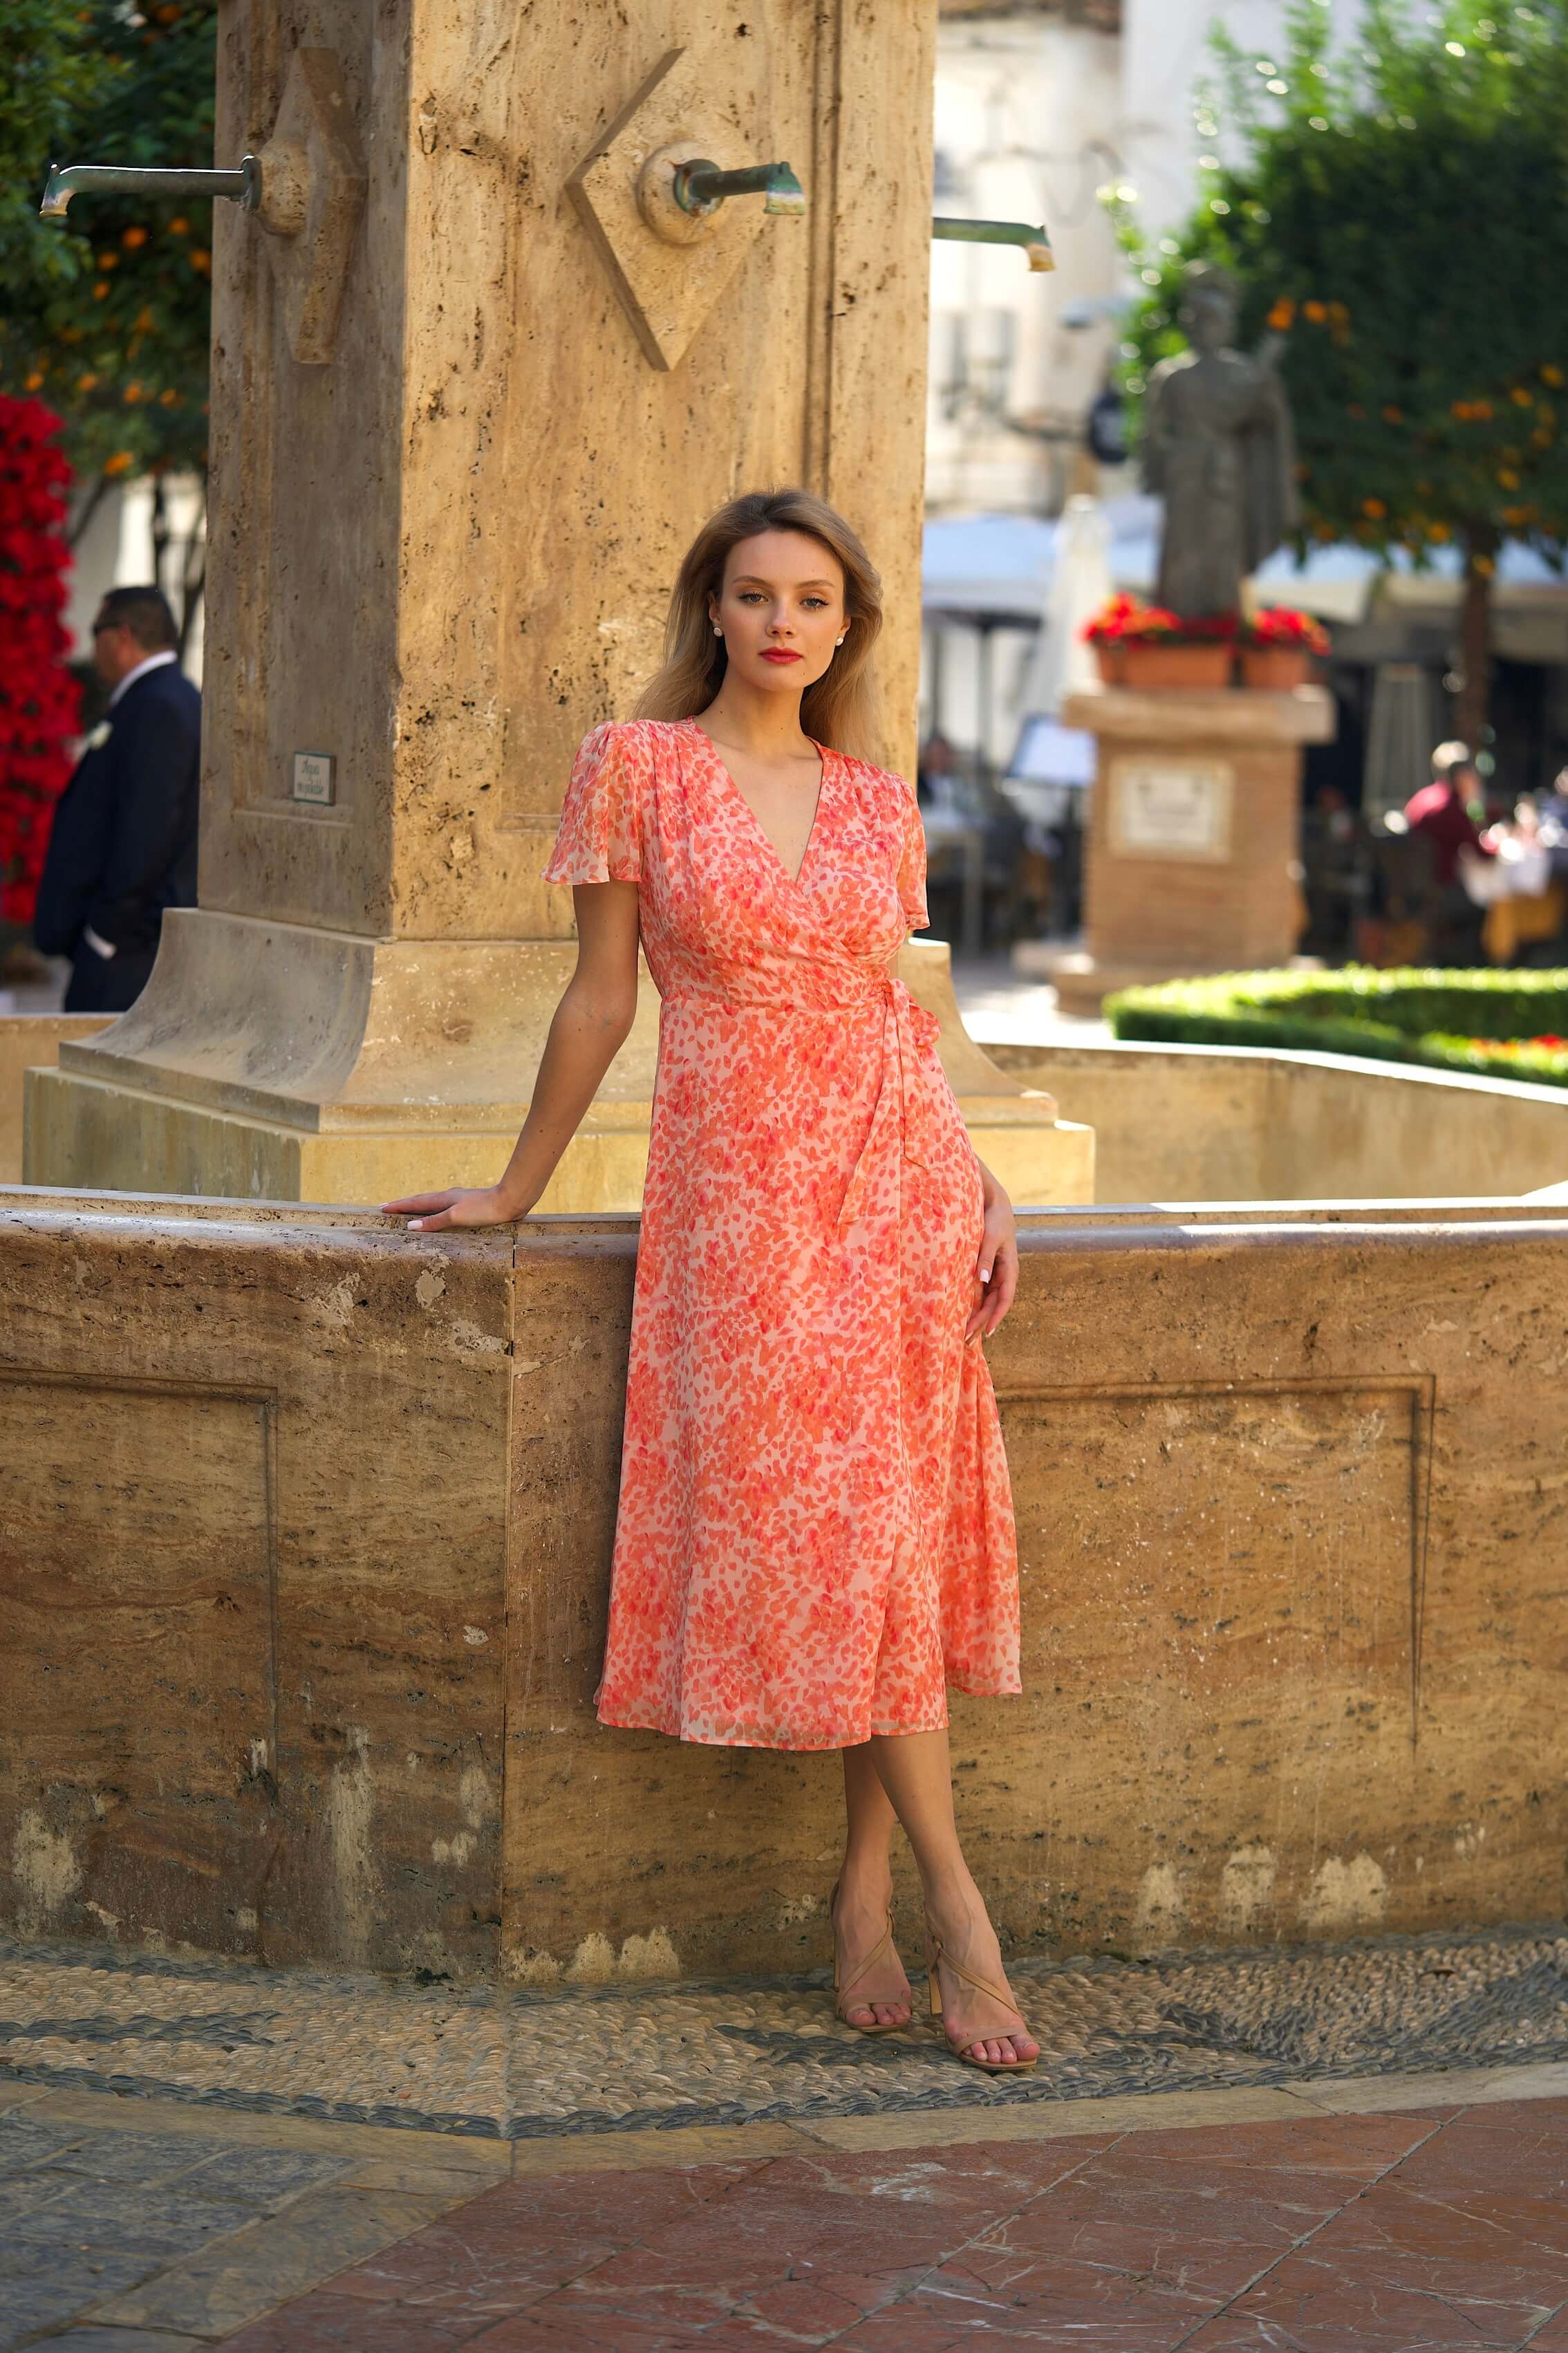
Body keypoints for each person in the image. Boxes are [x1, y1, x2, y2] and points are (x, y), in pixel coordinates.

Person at [384, 488, 1038, 2074]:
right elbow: (602, 1001)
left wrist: (982, 1175)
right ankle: (962, 1908)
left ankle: (882, 1898)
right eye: (755, 594)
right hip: (739, 1201)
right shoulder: (641, 766)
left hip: (895, 1188)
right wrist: (517, 1184)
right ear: (717, 611)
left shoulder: (881, 802)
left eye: (812, 597)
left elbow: (896, 1019)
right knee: (835, 1537)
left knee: (885, 1539)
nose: (783, 622)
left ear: (844, 623)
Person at [33, 586, 200, 1013]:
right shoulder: (160, 698)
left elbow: (149, 829)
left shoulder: (159, 706)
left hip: (126, 951)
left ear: (123, 636)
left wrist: (105, 934)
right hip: (123, 945)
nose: (93, 646)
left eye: (96, 631)